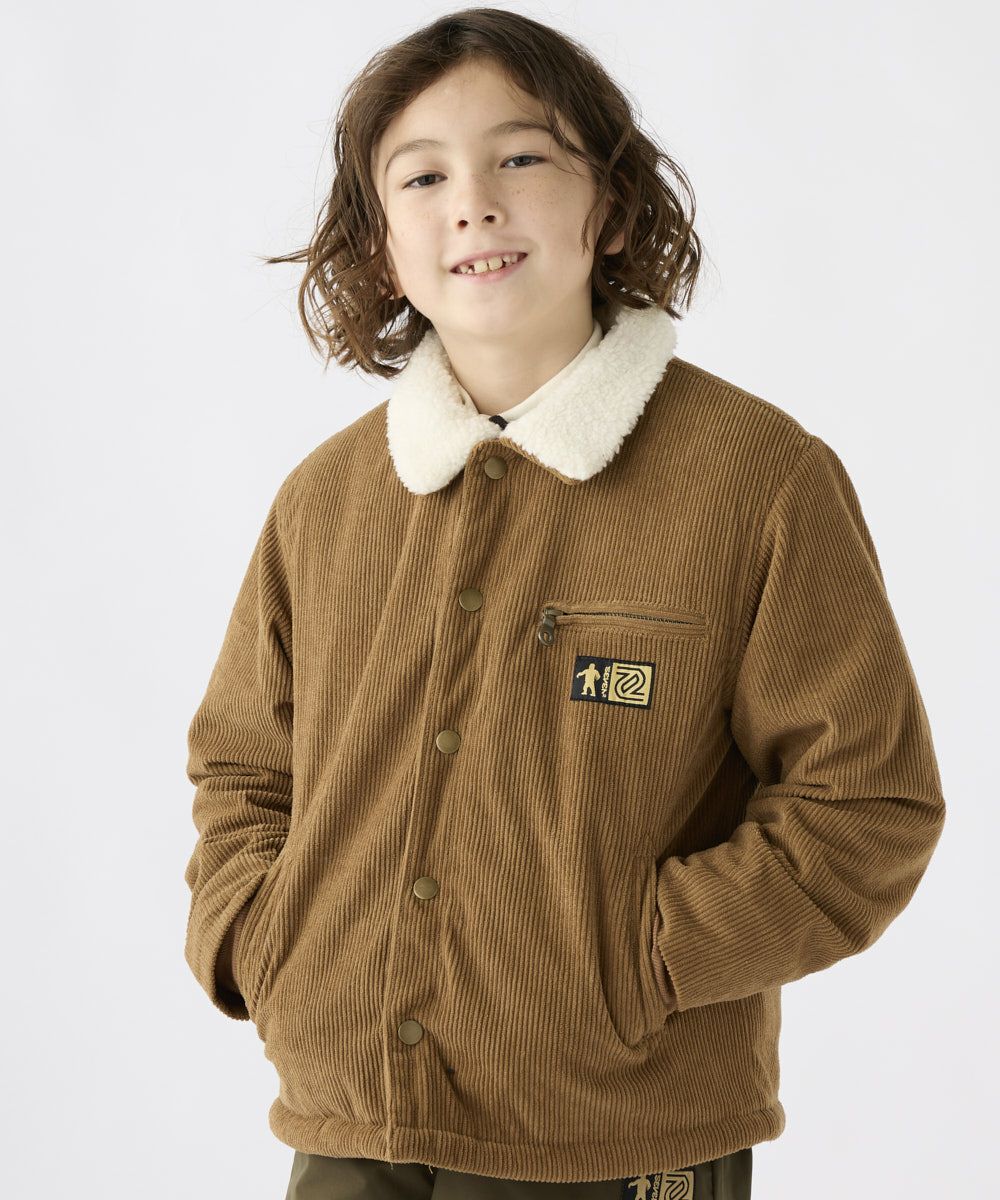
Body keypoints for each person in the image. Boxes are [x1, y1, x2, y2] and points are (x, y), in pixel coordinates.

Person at [182, 8, 946, 1199]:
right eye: (422, 176)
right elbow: (243, 769)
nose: (473, 204)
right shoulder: (324, 502)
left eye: (521, 157)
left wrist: (634, 962)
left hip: (622, 1133)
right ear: (382, 247)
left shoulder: (756, 479)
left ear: (615, 206)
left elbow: (866, 805)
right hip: (349, 1124)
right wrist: (265, 946)